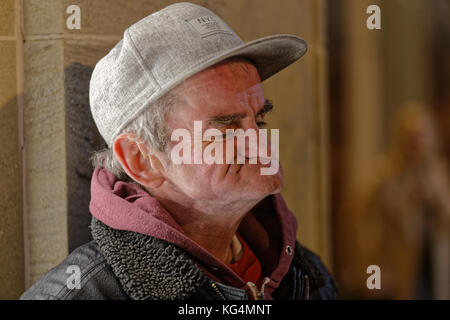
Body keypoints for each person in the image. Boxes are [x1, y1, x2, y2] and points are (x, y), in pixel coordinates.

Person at [21, 2, 337, 300]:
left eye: (259, 120)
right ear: (140, 160)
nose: (261, 144)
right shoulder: (82, 293)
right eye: (226, 129)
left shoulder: (305, 277)